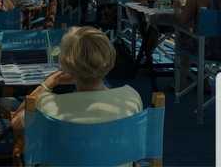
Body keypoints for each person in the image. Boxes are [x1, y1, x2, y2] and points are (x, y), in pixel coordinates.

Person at [11, 26, 142, 131]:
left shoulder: (47, 105)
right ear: (109, 59)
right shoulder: (132, 98)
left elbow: (16, 122)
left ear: (66, 66)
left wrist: (46, 85)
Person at [175, 0, 221, 77]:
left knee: (183, 33)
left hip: (205, 50)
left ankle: (183, 81)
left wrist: (179, 7)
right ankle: (204, 79)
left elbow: (184, 19)